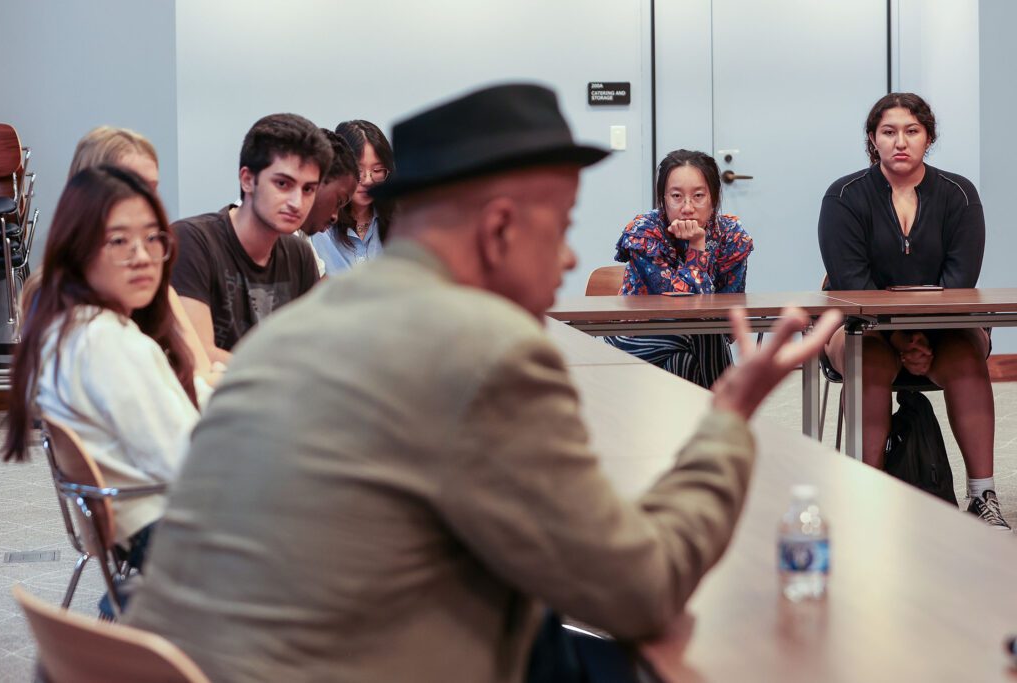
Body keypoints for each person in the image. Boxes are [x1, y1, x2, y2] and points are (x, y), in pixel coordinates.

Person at [125, 84, 840, 683]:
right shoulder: (482, 349)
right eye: (561, 227)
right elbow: (640, 587)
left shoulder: (295, 328)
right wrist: (730, 415)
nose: (569, 259)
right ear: (499, 228)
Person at [818, 92, 1009, 530]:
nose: (900, 142)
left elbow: (960, 281)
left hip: (946, 327)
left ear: (928, 137)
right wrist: (902, 338)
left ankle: (983, 495)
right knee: (868, 360)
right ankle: (865, 494)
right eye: (888, 132)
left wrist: (923, 334)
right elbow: (851, 283)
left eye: (912, 131)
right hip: (860, 327)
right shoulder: (843, 196)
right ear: (873, 139)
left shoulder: (959, 194)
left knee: (967, 358)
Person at [2, 166, 200, 576]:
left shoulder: (65, 327)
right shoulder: (111, 343)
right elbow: (190, 465)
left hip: (136, 533)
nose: (142, 256)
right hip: (172, 534)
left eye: (152, 238)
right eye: (119, 241)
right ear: (79, 250)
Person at [171, 113, 332, 363]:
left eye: (308, 189)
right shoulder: (193, 241)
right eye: (283, 184)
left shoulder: (299, 254)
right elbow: (198, 355)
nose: (297, 202)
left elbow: (310, 354)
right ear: (247, 180)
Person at [64, 125, 216, 383]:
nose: (147, 202)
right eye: (132, 188)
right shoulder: (87, 326)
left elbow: (200, 368)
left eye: (152, 189)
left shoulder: (155, 284)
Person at [606, 150, 753, 387]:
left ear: (714, 198)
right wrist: (697, 245)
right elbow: (681, 308)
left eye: (698, 196)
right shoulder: (645, 232)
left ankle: (713, 408)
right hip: (633, 337)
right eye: (676, 196)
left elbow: (728, 319)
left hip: (698, 342)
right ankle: (731, 405)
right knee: (702, 330)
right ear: (663, 199)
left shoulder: (731, 236)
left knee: (684, 362)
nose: (687, 207)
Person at [311, 120, 393, 273]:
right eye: (358, 170)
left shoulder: (400, 222)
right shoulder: (316, 227)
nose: (368, 180)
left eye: (377, 170)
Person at [295, 129, 359, 278]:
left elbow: (319, 281)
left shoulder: (300, 233)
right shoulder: (282, 234)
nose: (335, 217)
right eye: (338, 202)